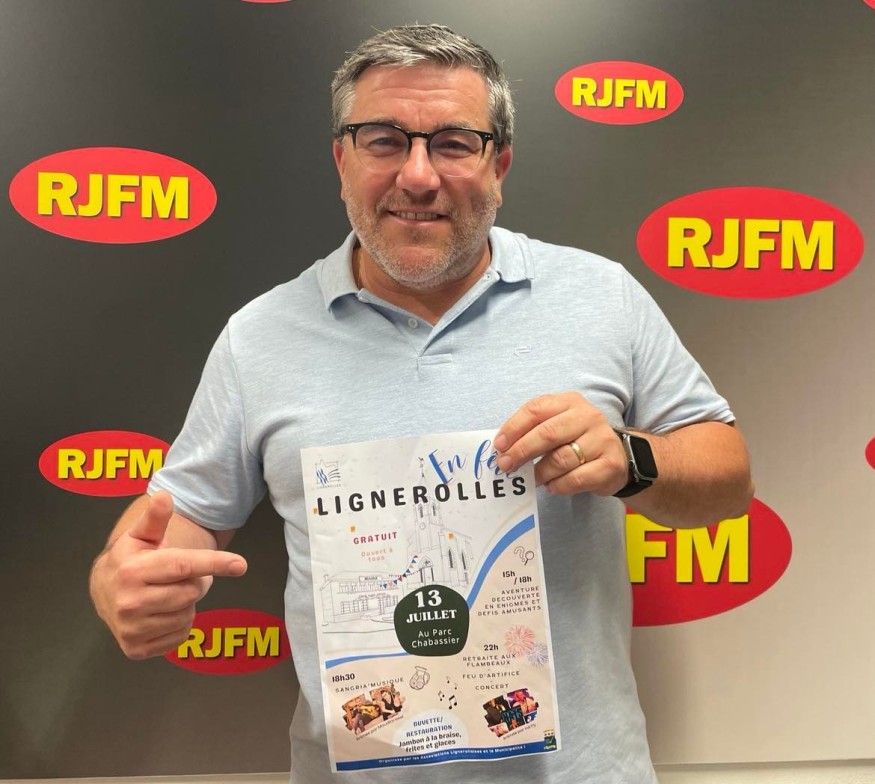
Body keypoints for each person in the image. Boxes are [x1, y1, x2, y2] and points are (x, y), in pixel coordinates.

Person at [89, 23, 753, 784]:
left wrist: (632, 459)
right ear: (341, 160)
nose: (417, 176)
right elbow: (176, 523)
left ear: (499, 164)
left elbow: (727, 479)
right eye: (383, 141)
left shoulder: (600, 296)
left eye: (453, 143)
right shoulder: (259, 337)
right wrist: (121, 578)